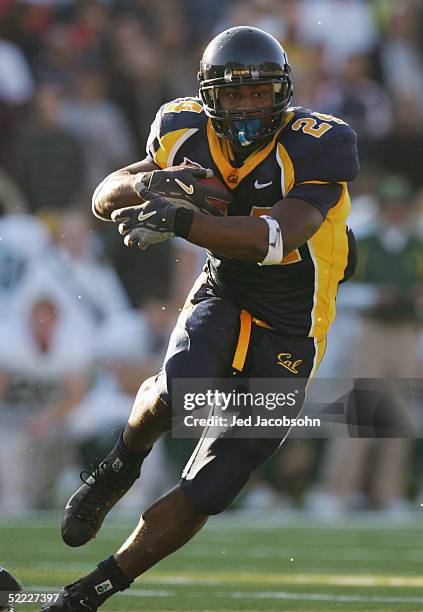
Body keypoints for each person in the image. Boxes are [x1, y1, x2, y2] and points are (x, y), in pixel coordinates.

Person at [42, 26, 359, 611]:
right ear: (210, 95)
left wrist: (181, 221)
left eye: (258, 93)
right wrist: (145, 182)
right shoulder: (181, 126)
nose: (245, 106)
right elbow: (104, 195)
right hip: (228, 291)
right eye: (233, 95)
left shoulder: (321, 142)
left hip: (294, 324)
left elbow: (276, 236)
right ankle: (121, 463)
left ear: (281, 93)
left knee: (216, 481)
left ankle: (94, 589)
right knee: (184, 387)